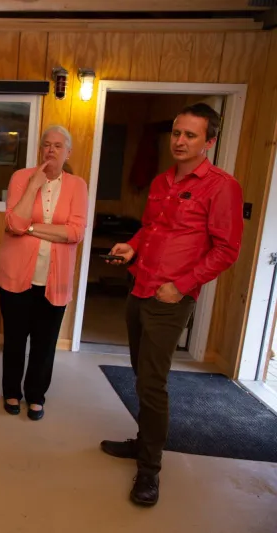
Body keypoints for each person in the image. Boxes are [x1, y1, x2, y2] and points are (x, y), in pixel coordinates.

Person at [101, 103, 244, 507]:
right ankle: (142, 441)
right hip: (140, 286)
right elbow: (152, 228)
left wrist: (181, 286)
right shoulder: (163, 180)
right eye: (176, 133)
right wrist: (132, 246)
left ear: (209, 142)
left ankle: (149, 470)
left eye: (190, 135)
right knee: (140, 371)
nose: (179, 141)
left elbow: (226, 250)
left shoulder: (221, 186)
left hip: (169, 297)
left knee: (153, 382)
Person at [0, 125, 88, 421]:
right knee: (14, 339)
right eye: (47, 145)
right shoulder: (21, 178)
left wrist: (32, 228)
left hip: (54, 279)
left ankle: (36, 397)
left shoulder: (77, 185)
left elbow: (75, 232)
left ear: (68, 152)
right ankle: (11, 392)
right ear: (40, 149)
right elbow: (13, 223)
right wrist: (34, 185)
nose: (51, 150)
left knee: (45, 344)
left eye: (58, 146)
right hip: (15, 276)